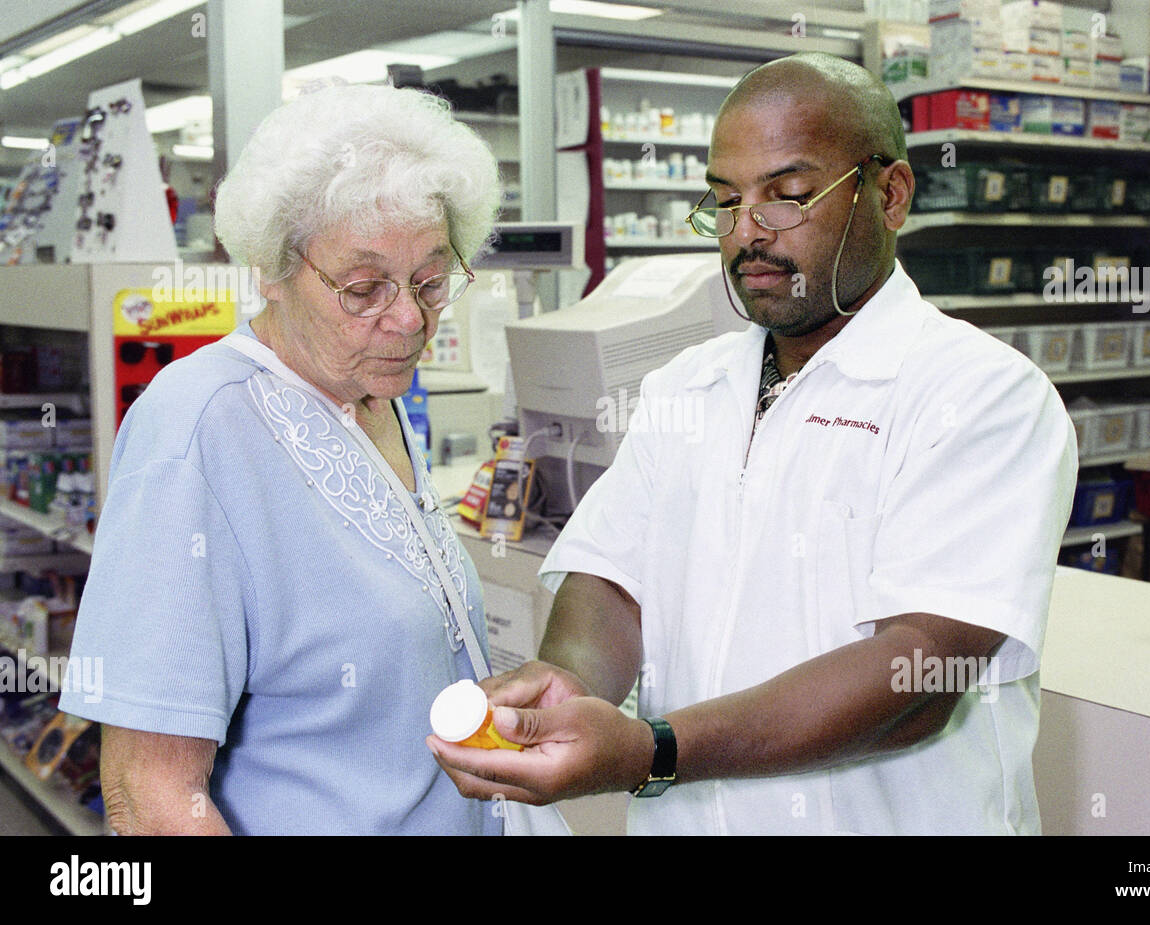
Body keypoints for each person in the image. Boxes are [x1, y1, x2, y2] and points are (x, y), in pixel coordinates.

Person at [427, 52, 1078, 835]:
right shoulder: (686, 386)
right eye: (727, 201)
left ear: (891, 194)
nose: (746, 233)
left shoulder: (981, 396)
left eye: (788, 196)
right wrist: (568, 685)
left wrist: (654, 750)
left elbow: (916, 679)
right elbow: (613, 581)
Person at [59, 84, 502, 835]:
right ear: (272, 269)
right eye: (363, 288)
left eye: (431, 281)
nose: (408, 318)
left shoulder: (371, 390)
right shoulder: (198, 428)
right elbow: (148, 792)